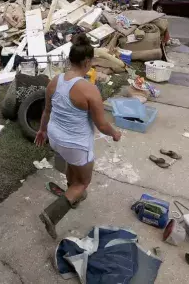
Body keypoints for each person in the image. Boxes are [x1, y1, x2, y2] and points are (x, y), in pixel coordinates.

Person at [34, 33, 122, 239]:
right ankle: (51, 214)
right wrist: (115, 133)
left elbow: (46, 111)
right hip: (75, 143)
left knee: (73, 168)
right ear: (87, 62)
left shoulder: (55, 81)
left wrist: (41, 130)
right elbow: (101, 125)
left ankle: (72, 196)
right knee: (83, 182)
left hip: (55, 138)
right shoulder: (89, 90)